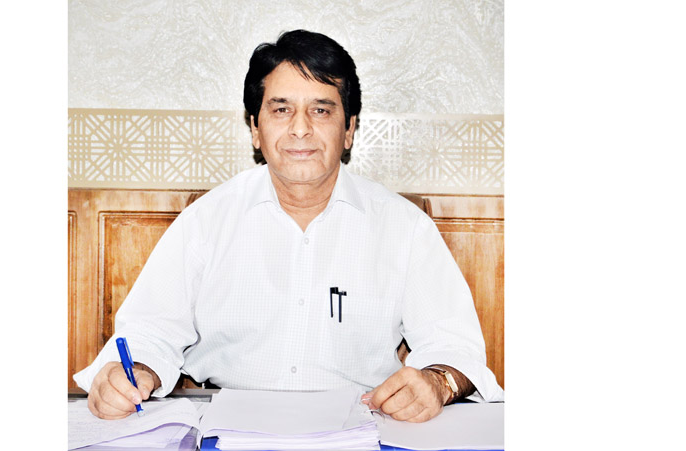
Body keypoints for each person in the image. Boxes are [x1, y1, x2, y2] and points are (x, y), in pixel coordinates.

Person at [74, 29, 504, 423]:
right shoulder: (206, 221)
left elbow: (455, 347)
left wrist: (438, 383)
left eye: (321, 109)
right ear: (255, 128)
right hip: (226, 425)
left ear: (349, 129)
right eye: (281, 109)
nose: (301, 129)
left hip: (363, 425)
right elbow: (150, 331)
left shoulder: (404, 227)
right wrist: (133, 373)